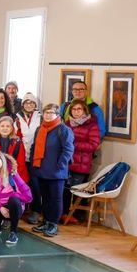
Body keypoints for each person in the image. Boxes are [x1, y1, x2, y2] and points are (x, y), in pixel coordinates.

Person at [30, 104, 74, 238]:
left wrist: (60, 166)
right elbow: (34, 146)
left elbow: (68, 150)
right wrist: (33, 162)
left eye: (51, 113)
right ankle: (46, 221)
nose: (48, 115)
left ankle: (53, 224)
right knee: (45, 197)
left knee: (56, 198)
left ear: (57, 115)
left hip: (57, 171)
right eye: (46, 112)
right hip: (41, 169)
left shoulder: (64, 130)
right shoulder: (40, 129)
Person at [63, 99, 101, 223]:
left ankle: (75, 216)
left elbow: (94, 145)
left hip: (81, 164)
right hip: (66, 162)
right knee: (65, 190)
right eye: (74, 109)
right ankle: (64, 214)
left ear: (84, 110)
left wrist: (73, 145)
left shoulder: (92, 125)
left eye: (79, 109)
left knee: (75, 192)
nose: (76, 112)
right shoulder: (67, 124)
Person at [16, 93, 43, 225]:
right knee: (21, 183)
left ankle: (36, 210)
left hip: (35, 156)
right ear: (23, 105)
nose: (29, 105)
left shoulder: (40, 117)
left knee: (35, 184)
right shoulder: (17, 118)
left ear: (35, 105)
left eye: (31, 102)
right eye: (26, 102)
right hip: (21, 156)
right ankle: (21, 208)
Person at [0, 116, 29, 183]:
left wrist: (13, 177)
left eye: (8, 126)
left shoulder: (18, 142)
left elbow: (20, 163)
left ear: (12, 128)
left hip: (15, 174)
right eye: (2, 126)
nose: (5, 128)